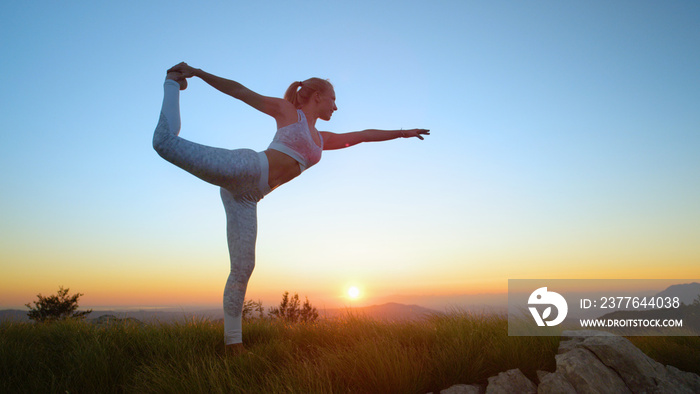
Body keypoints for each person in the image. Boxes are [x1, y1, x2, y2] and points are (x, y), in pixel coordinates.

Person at [153, 62, 430, 354]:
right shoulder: (288, 114)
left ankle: (233, 345)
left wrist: (401, 133)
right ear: (317, 96)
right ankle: (173, 82)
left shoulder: (322, 139)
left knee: (243, 268)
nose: (336, 106)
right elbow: (240, 92)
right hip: (245, 169)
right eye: (333, 98)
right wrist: (197, 73)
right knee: (164, 143)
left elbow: (361, 135)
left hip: (248, 198)